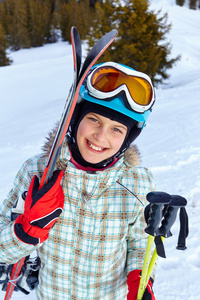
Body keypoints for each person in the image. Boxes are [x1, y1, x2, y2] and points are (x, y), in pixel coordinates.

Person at [0, 61, 156, 299]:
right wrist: (26, 230)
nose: (100, 136)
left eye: (117, 129)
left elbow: (139, 243)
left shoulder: (137, 183)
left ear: (127, 139)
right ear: (75, 119)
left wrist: (140, 279)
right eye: (94, 119)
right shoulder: (38, 171)